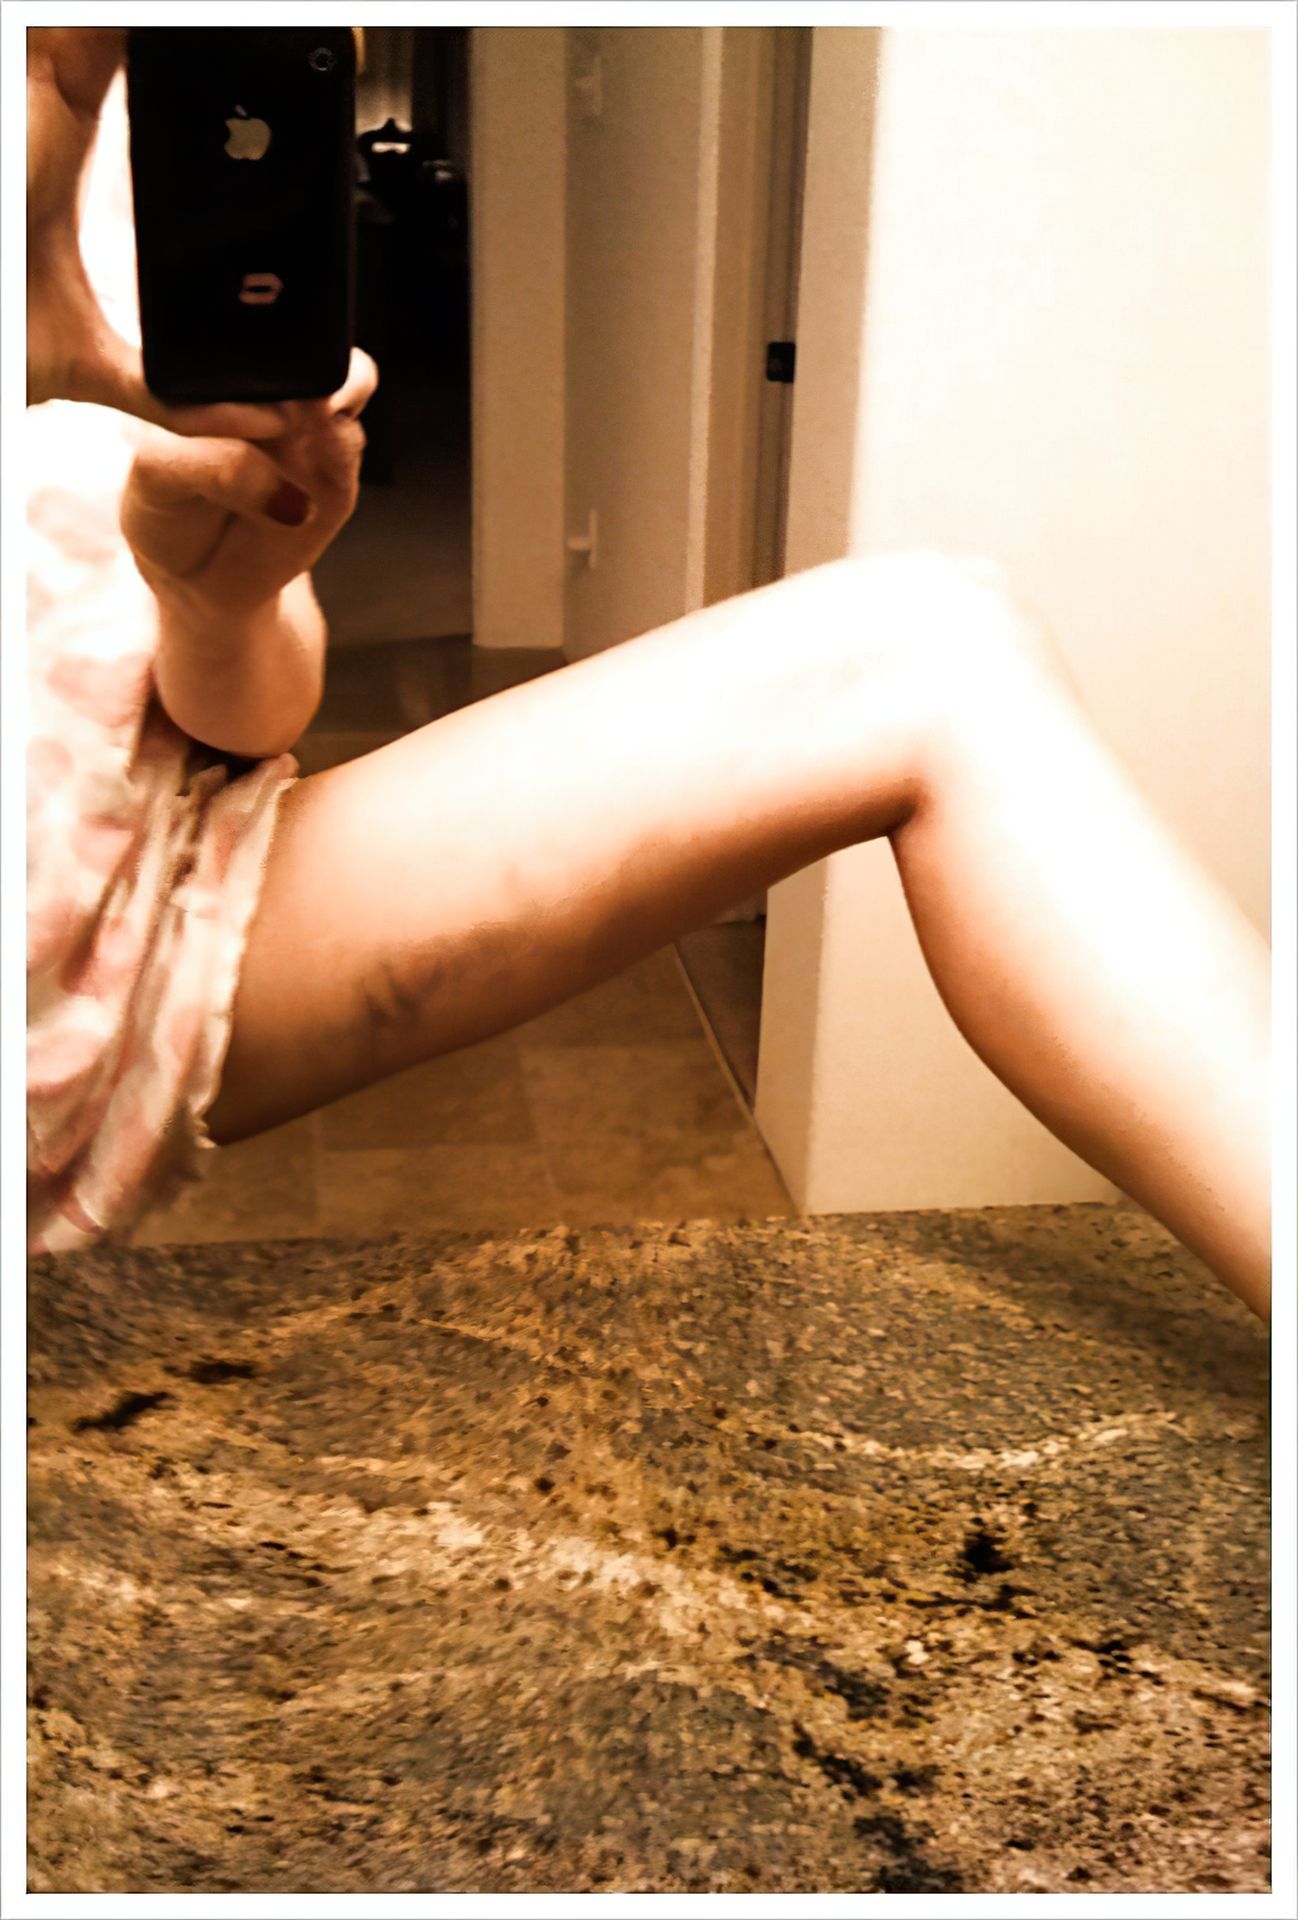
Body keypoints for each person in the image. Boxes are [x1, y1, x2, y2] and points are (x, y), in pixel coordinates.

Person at [25, 29, 1271, 1321]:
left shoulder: (118, 159)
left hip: (169, 910)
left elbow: (245, 715)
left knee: (945, 649)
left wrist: (217, 605)